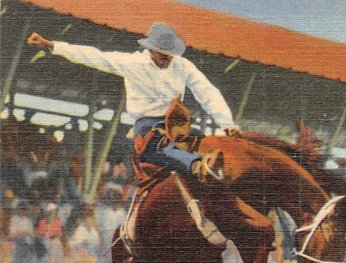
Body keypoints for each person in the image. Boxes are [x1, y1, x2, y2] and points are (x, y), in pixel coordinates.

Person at [28, 23, 241, 181]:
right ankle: (195, 166)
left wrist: (227, 123)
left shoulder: (183, 66)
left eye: (170, 55)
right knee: (151, 150)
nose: (167, 59)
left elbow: (207, 91)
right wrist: (53, 45)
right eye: (163, 55)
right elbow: (94, 56)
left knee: (205, 141)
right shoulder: (132, 63)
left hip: (177, 122)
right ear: (150, 50)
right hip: (147, 124)